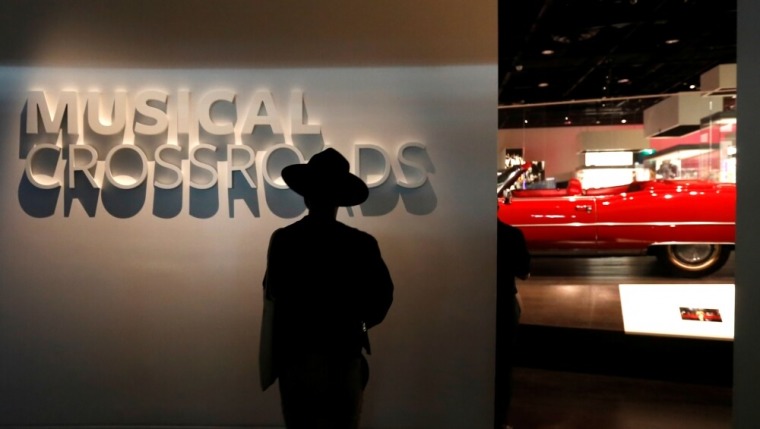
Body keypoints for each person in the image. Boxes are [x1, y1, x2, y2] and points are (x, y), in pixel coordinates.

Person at [261, 147, 394, 429]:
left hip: (296, 357)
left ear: (306, 195)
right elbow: (381, 299)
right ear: (340, 200)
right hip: (342, 355)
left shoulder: (284, 240)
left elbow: (275, 292)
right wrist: (356, 326)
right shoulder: (361, 243)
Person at [495, 219, 531, 429]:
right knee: (502, 366)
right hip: (503, 303)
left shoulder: (463, 234)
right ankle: (498, 420)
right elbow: (524, 272)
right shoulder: (511, 234)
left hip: (469, 305)